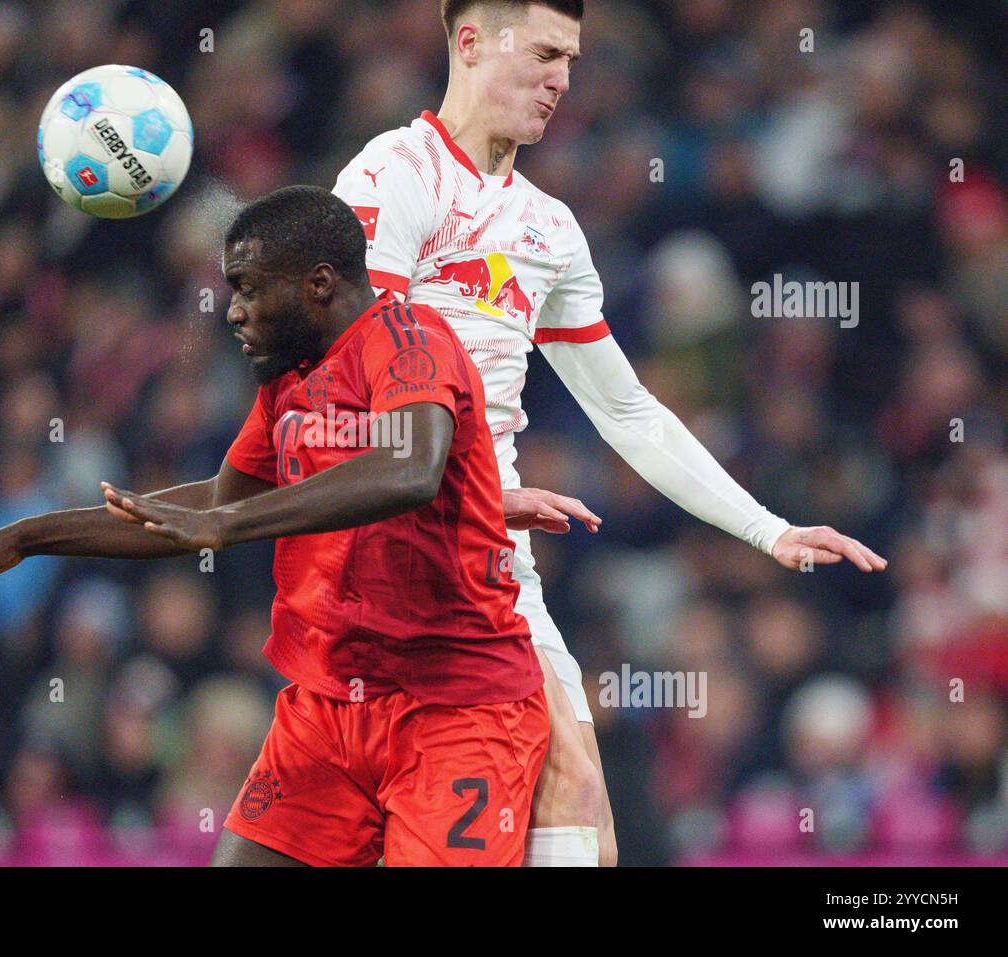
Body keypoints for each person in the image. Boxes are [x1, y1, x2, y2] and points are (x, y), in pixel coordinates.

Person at [331, 0, 888, 866]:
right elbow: (348, 377)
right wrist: (472, 490)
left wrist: (768, 529)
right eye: (547, 53)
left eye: (574, 60)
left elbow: (626, 411)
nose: (562, 80)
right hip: (390, 538)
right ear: (471, 42)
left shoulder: (547, 229)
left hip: (490, 553)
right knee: (441, 808)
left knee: (578, 795)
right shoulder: (390, 176)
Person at [0, 185, 549, 866]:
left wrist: (230, 522)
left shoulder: (411, 340)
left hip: (457, 708)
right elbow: (203, 508)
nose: (231, 310)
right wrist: (24, 537)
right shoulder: (289, 384)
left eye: (247, 288)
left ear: (318, 283)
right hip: (329, 705)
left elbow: (409, 470)